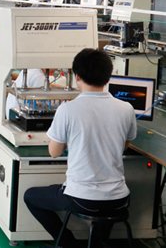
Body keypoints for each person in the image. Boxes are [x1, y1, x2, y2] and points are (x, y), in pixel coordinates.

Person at [24, 49, 137, 248]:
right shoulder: (126, 108)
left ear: (77, 77)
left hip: (81, 199)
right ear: (108, 76)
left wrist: (74, 139)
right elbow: (124, 146)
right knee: (103, 206)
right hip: (118, 199)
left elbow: (54, 152)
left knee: (30, 196)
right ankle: (99, 243)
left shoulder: (67, 110)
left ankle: (69, 244)